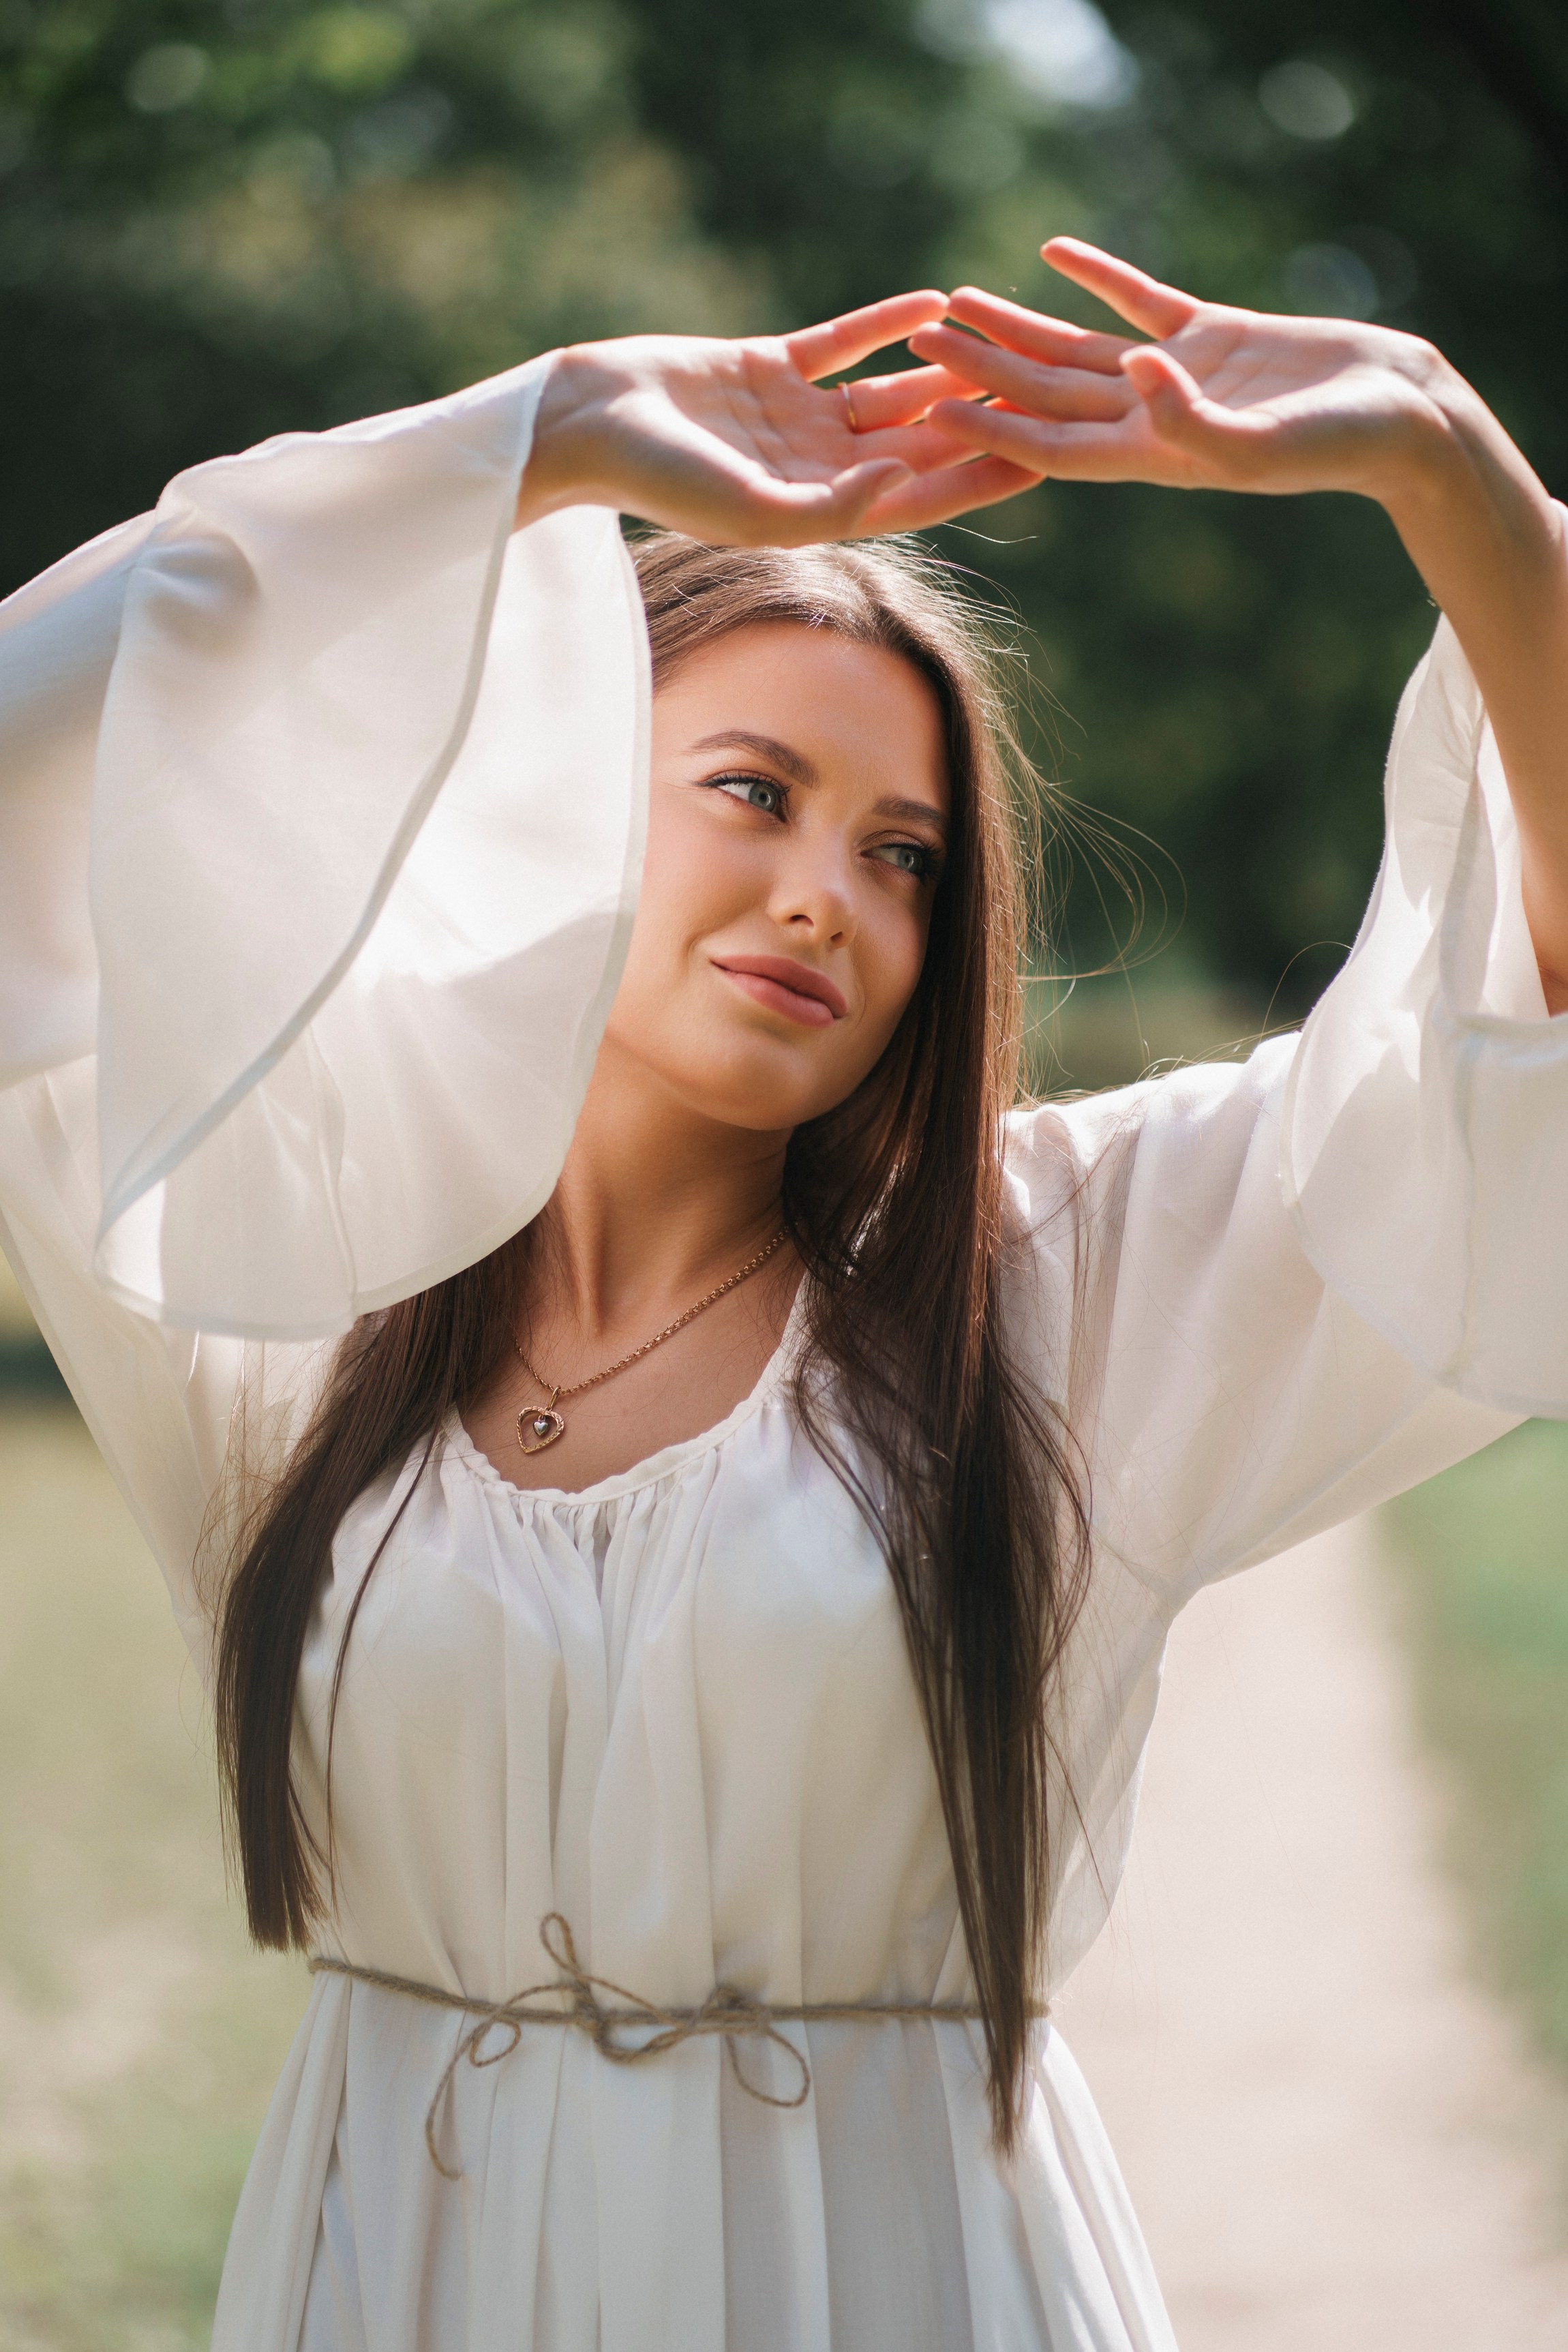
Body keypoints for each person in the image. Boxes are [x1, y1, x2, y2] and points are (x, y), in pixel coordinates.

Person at [0, 235, 1564, 2352]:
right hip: (398, 2274)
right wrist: (524, 445)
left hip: (899, 2273)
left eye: (903, 853)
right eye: (755, 793)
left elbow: (1517, 1043)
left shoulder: (1065, 1274)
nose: (827, 893)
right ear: (555, 816)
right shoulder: (272, 1268)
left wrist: (1456, 476)